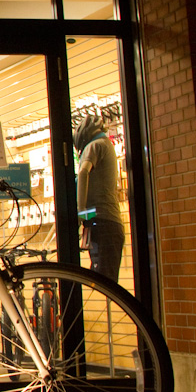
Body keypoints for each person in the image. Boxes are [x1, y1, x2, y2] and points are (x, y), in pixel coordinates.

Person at [75, 114, 125, 282]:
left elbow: (83, 173)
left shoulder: (95, 145)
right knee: (106, 280)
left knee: (106, 284)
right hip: (107, 222)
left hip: (103, 221)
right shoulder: (106, 145)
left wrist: (80, 211)